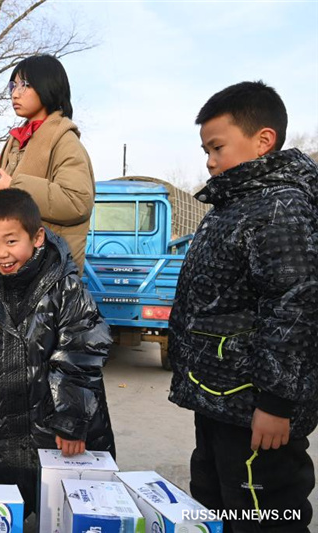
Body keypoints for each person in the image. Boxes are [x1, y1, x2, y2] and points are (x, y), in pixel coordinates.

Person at [168, 81, 318, 532]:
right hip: (219, 395)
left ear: (263, 140)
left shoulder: (281, 207)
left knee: (263, 510)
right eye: (205, 151)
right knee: (215, 497)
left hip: (256, 404)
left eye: (217, 147)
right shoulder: (233, 203)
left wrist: (276, 402)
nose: (210, 161)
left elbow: (295, 306)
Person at [0, 188, 115, 516]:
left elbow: (80, 354)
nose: (1, 253)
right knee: (9, 513)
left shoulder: (66, 289)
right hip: (9, 432)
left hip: (59, 434)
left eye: (11, 241)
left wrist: (70, 421)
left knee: (64, 514)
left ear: (37, 237)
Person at [0, 54, 95, 274]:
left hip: (45, 274)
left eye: (25, 85)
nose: (15, 93)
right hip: (6, 271)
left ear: (49, 86)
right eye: (13, 85)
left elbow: (77, 201)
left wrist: (14, 185)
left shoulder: (65, 140)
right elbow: (5, 201)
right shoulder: (15, 140)